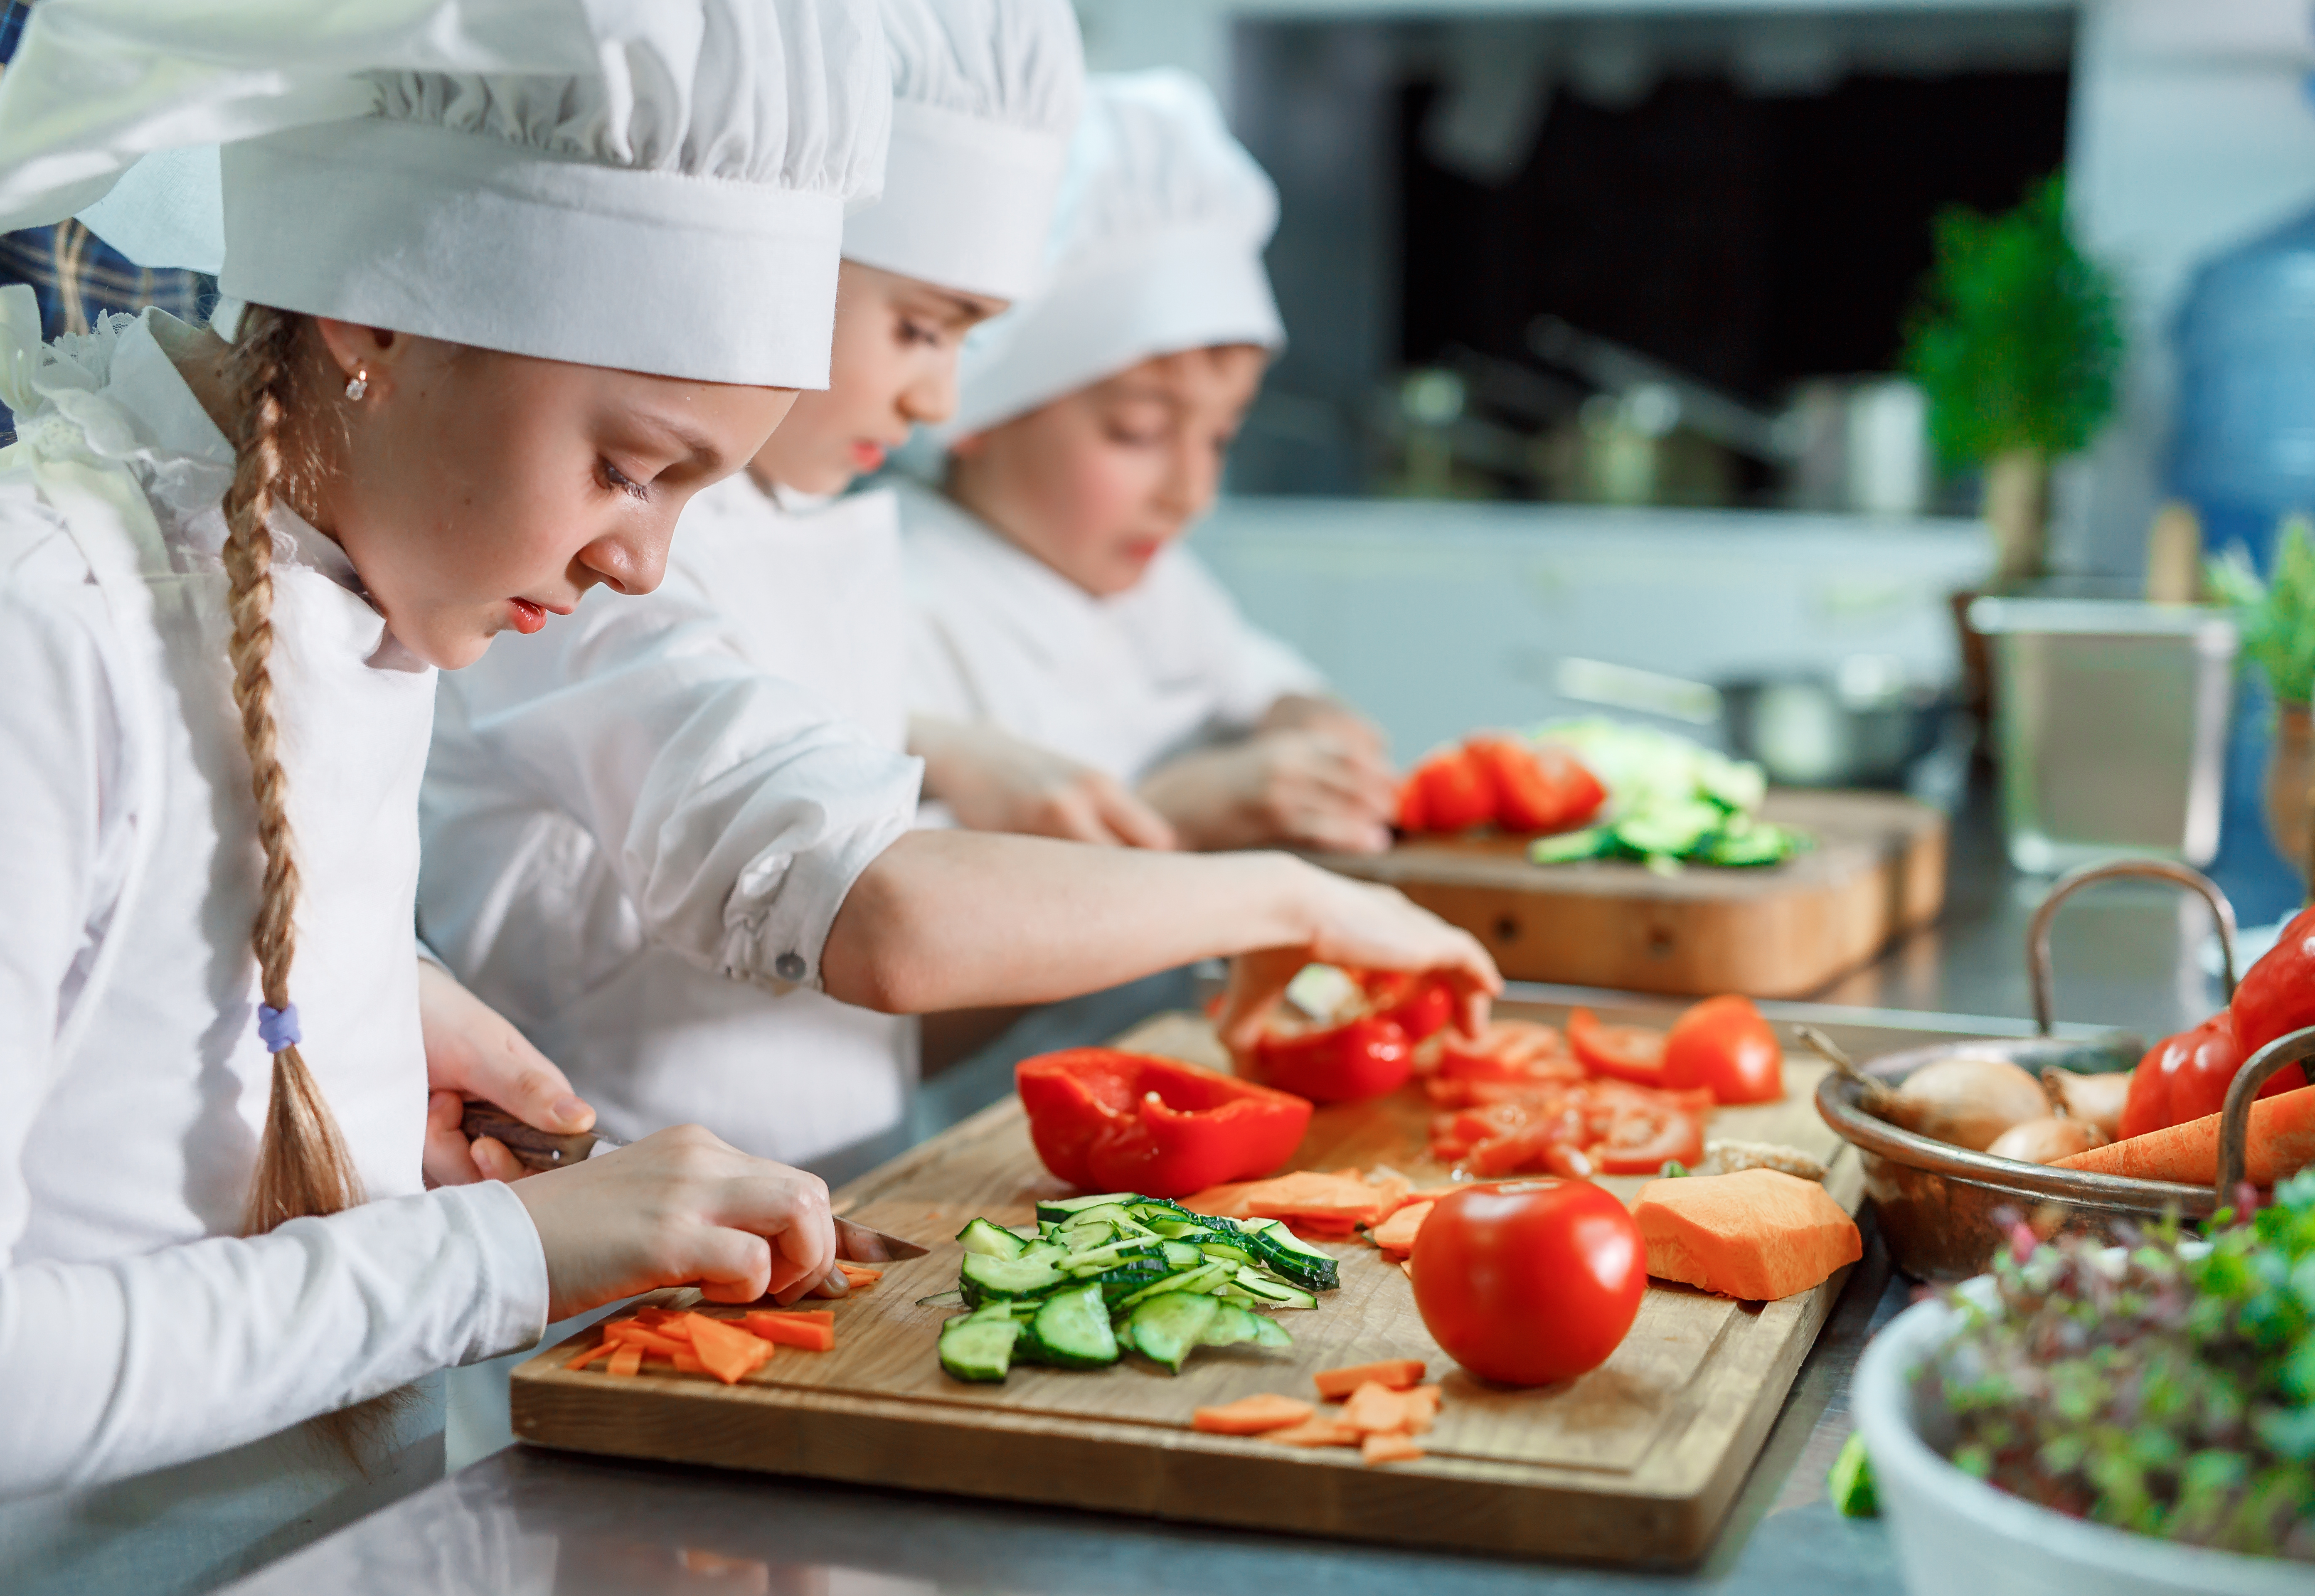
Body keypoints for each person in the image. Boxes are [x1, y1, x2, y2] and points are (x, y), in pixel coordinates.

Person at [0, 3, 889, 1590]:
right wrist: (508, 1259)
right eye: (629, 467)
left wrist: (356, 1010)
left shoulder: (350, 568)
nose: (642, 567)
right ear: (378, 325)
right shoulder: (42, 629)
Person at [420, 0, 1104, 1169]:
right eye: (923, 329)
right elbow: (872, 913)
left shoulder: (807, 520)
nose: (940, 402)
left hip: (809, 1224)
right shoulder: (559, 548)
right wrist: (1288, 895)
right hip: (597, 1288)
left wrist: (951, 749)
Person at [903, 69, 1399, 860]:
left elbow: (1260, 676)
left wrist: (1308, 720)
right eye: (1138, 433)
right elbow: (877, 920)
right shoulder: (899, 603)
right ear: (976, 410)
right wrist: (1167, 816)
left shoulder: (1152, 587)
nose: (1191, 494)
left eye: (1219, 438)